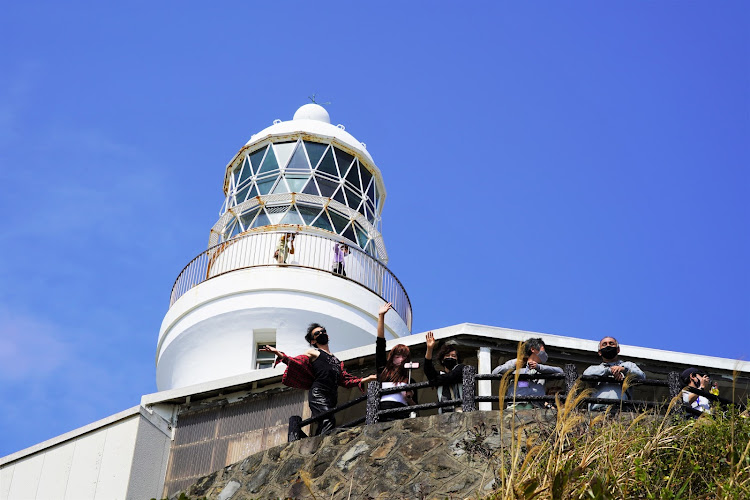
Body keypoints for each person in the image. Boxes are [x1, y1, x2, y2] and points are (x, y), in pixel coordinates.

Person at [261, 325, 376, 435]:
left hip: (332, 397)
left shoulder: (337, 361)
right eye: (317, 333)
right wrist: (277, 353)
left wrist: (368, 378)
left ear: (328, 336)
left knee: (325, 423)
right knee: (328, 420)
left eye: (323, 331)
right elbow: (296, 362)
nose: (321, 333)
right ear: (313, 341)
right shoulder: (313, 352)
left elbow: (345, 380)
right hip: (318, 393)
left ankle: (315, 447)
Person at [492, 338, 563, 409]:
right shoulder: (516, 365)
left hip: (536, 406)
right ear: (533, 349)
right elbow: (495, 372)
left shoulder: (543, 370)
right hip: (516, 405)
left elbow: (560, 371)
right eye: (542, 349)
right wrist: (514, 364)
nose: (544, 352)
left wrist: (539, 367)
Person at [375, 302, 416, 421]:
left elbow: (416, 407)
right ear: (392, 357)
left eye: (404, 357)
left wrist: (409, 398)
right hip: (382, 413)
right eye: (398, 355)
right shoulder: (383, 370)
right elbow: (380, 344)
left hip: (401, 415)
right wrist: (381, 317)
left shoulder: (409, 378)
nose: (401, 359)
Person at [582, 336, 645, 411]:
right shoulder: (594, 368)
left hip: (622, 412)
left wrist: (624, 370)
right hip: (597, 411)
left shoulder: (629, 365)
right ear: (599, 352)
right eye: (604, 344)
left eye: (611, 343)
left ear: (618, 349)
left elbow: (642, 377)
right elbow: (586, 375)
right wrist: (609, 371)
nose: (608, 346)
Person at [424, 332, 465, 413]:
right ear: (442, 360)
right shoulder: (440, 375)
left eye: (453, 356)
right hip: (443, 413)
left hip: (461, 411)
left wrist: (435, 380)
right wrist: (429, 349)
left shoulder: (461, 368)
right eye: (447, 355)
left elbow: (452, 377)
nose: (450, 358)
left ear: (457, 359)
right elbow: (428, 370)